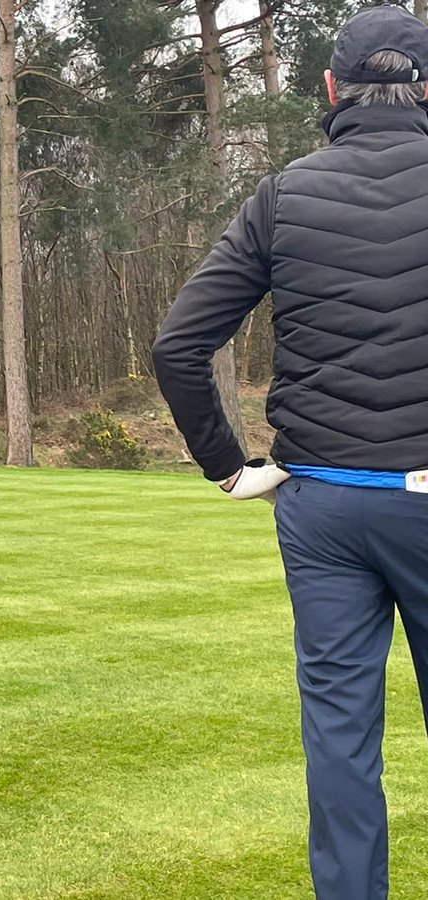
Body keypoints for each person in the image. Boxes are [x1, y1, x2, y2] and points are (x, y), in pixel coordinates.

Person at [152, 7, 428, 898]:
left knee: (341, 746)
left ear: (331, 88)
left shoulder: (282, 195)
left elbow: (178, 345)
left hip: (323, 509)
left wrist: (230, 467)